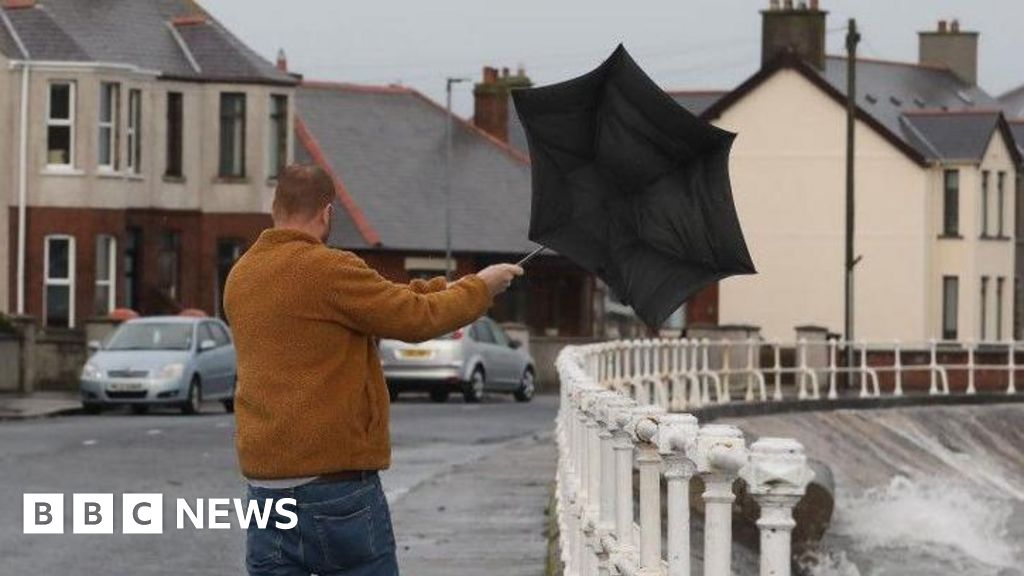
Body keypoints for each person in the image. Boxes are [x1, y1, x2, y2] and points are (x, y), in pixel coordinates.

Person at [224, 164, 523, 576]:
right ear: (327, 212)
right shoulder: (326, 268)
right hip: (335, 488)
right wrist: (482, 288)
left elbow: (385, 299)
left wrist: (460, 285)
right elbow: (414, 319)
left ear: (275, 208)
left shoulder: (242, 275)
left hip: (265, 490)